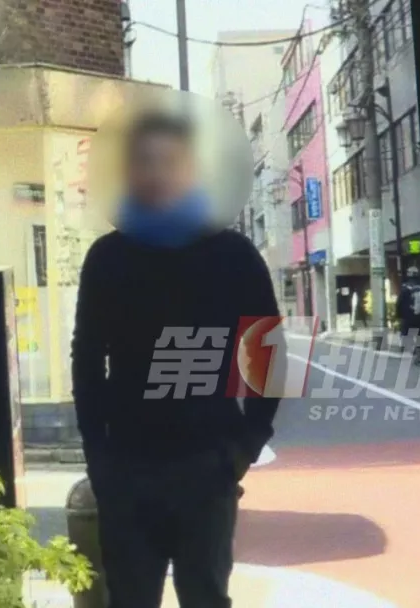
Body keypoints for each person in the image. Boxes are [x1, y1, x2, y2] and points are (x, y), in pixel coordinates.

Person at [71, 111, 282, 608]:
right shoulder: (108, 258)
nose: (158, 172)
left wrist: (245, 446)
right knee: (128, 599)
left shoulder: (232, 255)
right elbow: (87, 358)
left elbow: (265, 354)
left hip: (207, 465)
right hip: (127, 466)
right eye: (146, 161)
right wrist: (98, 455)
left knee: (206, 596)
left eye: (171, 161)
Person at [396, 266, 420, 363]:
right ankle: (419, 354)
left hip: (409, 316)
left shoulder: (406, 287)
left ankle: (413, 350)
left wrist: (398, 315)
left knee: (405, 334)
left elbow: (399, 303)